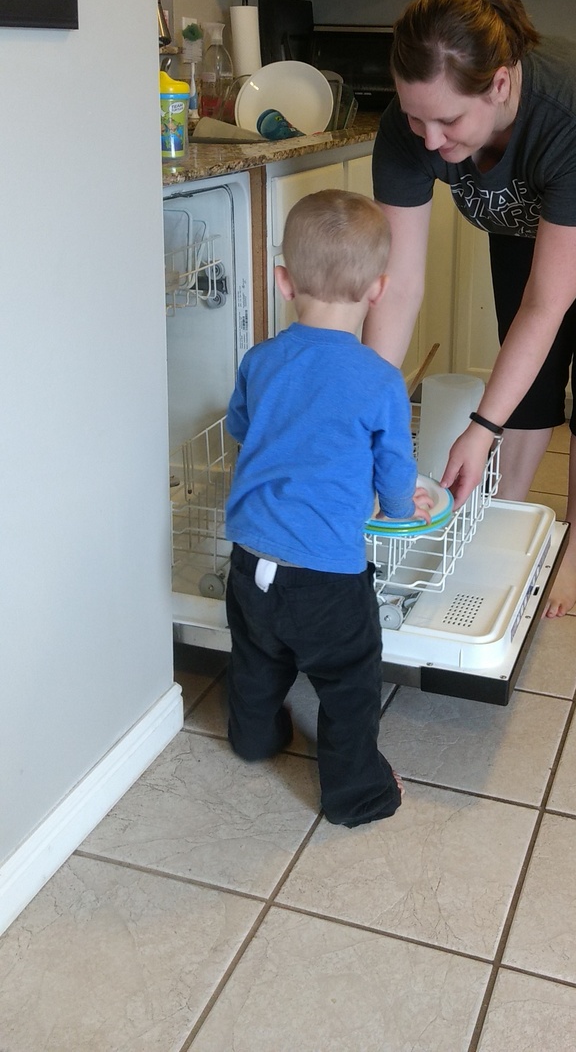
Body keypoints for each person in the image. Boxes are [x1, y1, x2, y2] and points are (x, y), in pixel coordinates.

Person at [363, 0, 576, 619]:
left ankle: (575, 548)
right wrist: (369, 412)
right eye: (414, 118)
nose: (429, 141)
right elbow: (398, 285)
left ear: (501, 84)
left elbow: (547, 306)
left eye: (449, 121)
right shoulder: (409, 130)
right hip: (522, 205)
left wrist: (480, 431)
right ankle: (507, 515)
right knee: (530, 374)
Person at [224, 189, 432, 828]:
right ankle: (356, 794)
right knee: (349, 683)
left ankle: (254, 738)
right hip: (326, 579)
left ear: (284, 282)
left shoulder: (260, 360)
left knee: (257, 658)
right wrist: (406, 506)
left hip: (251, 560)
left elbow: (240, 427)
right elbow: (395, 473)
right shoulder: (378, 380)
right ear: (377, 290)